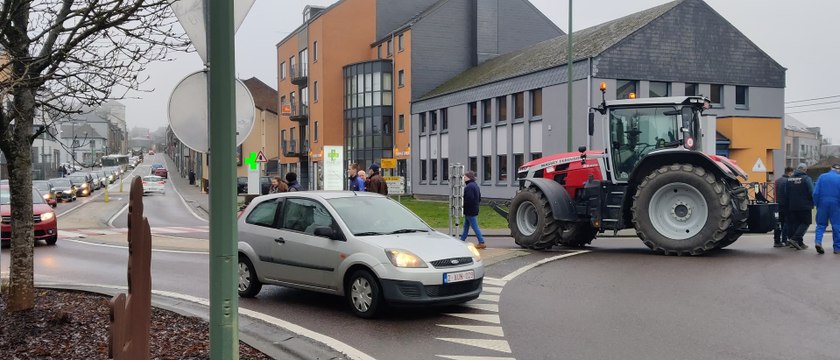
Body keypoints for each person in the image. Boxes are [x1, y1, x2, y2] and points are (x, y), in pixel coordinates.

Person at [812, 163, 840, 254]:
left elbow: (815, 193)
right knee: (836, 225)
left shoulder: (822, 177)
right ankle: (837, 248)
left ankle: (818, 242)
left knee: (820, 225)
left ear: (830, 168)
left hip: (822, 203)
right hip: (836, 204)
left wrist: (817, 204)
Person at [785, 163, 814, 250]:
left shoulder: (789, 179)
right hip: (805, 205)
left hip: (792, 205)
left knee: (797, 223)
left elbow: (786, 193)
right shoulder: (807, 179)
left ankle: (800, 243)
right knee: (806, 222)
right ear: (805, 170)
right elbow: (812, 192)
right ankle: (794, 239)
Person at [460, 171, 486, 249]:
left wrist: (463, 206)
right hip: (473, 209)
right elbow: (479, 198)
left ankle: (481, 242)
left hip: (469, 210)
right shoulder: (475, 185)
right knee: (466, 226)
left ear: (468, 177)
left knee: (474, 226)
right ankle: (461, 241)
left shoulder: (469, 187)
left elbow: (468, 199)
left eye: (464, 177)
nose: (463, 178)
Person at [773, 167, 794, 248]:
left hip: (778, 205)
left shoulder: (777, 181)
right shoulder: (789, 181)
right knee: (787, 223)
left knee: (778, 223)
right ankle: (785, 240)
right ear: (790, 173)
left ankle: (776, 241)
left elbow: (775, 193)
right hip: (786, 205)